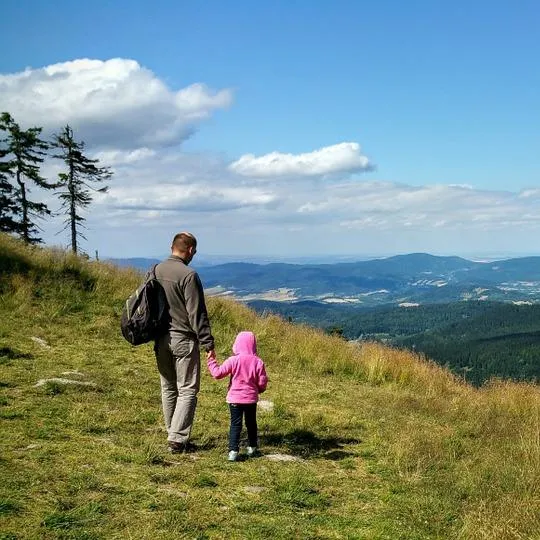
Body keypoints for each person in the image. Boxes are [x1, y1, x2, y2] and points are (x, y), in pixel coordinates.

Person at [154, 232, 215, 453]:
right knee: (188, 388)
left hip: (161, 338)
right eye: (194, 252)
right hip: (184, 339)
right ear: (190, 250)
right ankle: (177, 439)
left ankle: (173, 433)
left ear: (172, 247)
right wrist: (208, 342)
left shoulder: (155, 271)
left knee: (168, 387)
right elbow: (196, 313)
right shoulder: (189, 275)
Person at [207, 331, 268, 461]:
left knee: (235, 424)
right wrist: (259, 390)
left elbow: (217, 374)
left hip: (234, 399)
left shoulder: (233, 360)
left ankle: (233, 451)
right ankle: (252, 447)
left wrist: (211, 360)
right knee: (251, 423)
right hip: (251, 399)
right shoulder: (258, 362)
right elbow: (262, 382)